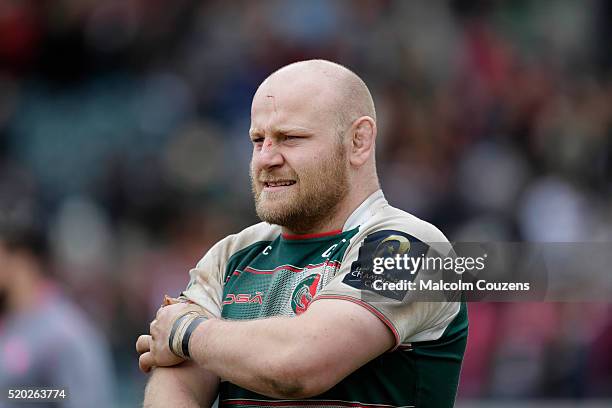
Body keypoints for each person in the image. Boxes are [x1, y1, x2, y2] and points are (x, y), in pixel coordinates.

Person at [136, 59, 468, 408]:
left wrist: (184, 332)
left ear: (358, 140)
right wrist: (190, 339)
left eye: (290, 138)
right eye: (257, 140)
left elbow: (299, 365)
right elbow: (177, 386)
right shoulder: (231, 254)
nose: (266, 158)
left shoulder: (413, 247)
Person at [0, 219, 115, 408]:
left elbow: (79, 398)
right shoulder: (11, 322)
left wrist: (14, 394)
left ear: (22, 260)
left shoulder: (65, 333)